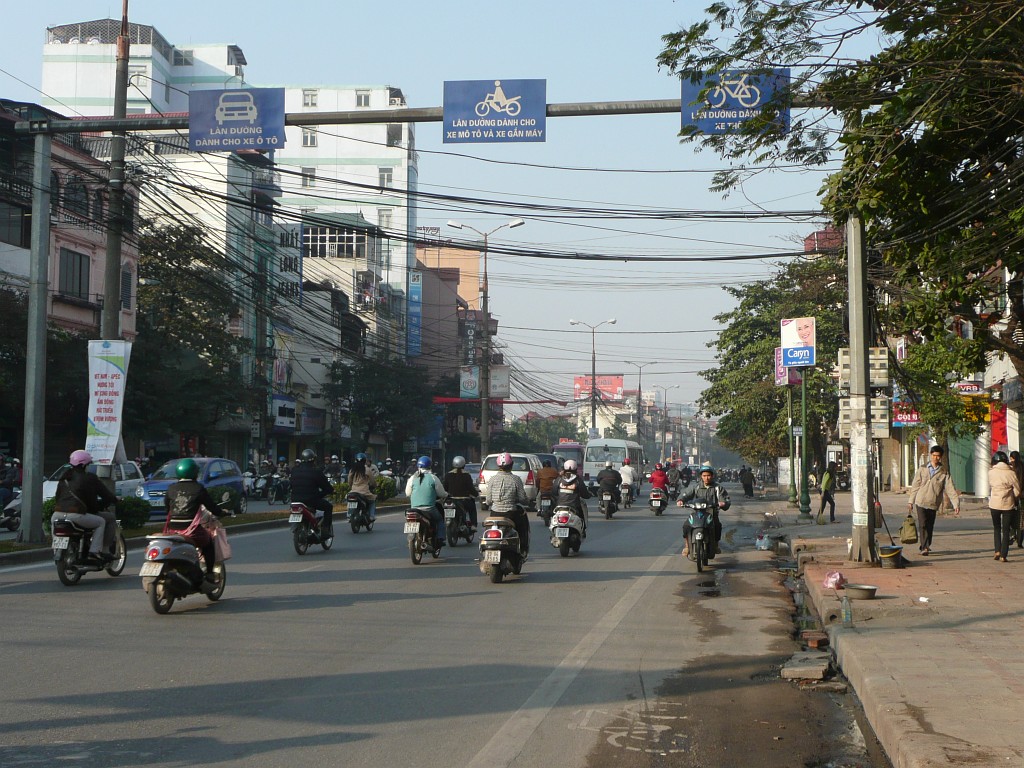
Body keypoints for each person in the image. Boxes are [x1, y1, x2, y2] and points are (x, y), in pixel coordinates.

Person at [163, 458, 228, 580]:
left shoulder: (171, 488)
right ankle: (209, 573)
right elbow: (212, 507)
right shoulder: (198, 488)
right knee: (208, 543)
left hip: (172, 530)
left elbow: (167, 508)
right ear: (195, 472)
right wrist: (222, 512)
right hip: (192, 531)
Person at [51, 450, 118, 562]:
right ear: (84, 465)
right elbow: (100, 498)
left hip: (56, 515)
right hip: (76, 515)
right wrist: (114, 500)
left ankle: (57, 549)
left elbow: (58, 498)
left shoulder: (64, 477)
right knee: (101, 521)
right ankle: (96, 551)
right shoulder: (89, 478)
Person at [907, 445, 960, 556]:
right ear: (931, 455)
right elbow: (915, 485)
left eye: (938, 456)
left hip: (933, 502)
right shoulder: (923, 468)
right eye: (934, 455)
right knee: (922, 524)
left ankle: (926, 544)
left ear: (940, 457)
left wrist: (956, 504)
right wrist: (911, 501)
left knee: (930, 525)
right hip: (920, 500)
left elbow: (950, 488)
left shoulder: (944, 472)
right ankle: (924, 547)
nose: (935, 458)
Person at [679, 464, 731, 557]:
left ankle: (715, 545)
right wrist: (680, 500)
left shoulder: (717, 488)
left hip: (711, 513)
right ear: (701, 476)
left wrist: (723, 503)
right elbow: (685, 494)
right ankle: (687, 546)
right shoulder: (696, 487)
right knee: (686, 526)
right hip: (696, 513)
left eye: (708, 475)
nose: (706, 478)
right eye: (704, 476)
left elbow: (725, 499)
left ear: (712, 476)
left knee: (717, 526)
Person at [485, 451, 531, 553]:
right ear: (511, 465)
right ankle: (522, 549)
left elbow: (488, 501)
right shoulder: (515, 479)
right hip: (511, 514)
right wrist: (526, 501)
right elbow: (523, 498)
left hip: (494, 514)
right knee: (522, 528)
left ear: (498, 466)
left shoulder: (492, 479)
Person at [405, 455, 448, 549]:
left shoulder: (412, 478)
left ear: (418, 466)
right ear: (430, 466)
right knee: (440, 519)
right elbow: (441, 493)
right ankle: (440, 538)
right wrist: (446, 495)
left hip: (414, 509)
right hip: (429, 508)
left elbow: (407, 493)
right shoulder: (433, 478)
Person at [290, 449, 336, 536]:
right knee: (328, 507)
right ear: (313, 460)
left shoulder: (294, 470)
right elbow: (326, 487)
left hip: (295, 500)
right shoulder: (316, 472)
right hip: (311, 500)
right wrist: (331, 491)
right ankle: (326, 531)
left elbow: (291, 485)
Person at [989, 452, 1021, 563]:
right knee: (1006, 530)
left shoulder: (991, 472)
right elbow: (1017, 490)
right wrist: (1014, 496)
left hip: (994, 504)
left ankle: (996, 550)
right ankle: (1003, 555)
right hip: (1008, 504)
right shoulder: (1011, 473)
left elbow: (991, 485)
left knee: (996, 528)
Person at [551, 459, 591, 536]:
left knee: (553, 514)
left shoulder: (559, 479)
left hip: (560, 506)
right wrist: (588, 495)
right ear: (575, 469)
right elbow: (584, 494)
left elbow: (553, 492)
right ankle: (583, 530)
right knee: (581, 515)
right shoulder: (578, 480)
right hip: (574, 506)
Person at [443, 455, 479, 530]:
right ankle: (473, 525)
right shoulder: (466, 475)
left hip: (451, 501)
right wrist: (476, 494)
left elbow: (445, 488)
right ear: (464, 465)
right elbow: (471, 488)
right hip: (464, 500)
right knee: (472, 508)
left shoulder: (448, 475)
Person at [348, 453, 379, 522]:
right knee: (372, 501)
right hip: (364, 492)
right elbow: (372, 481)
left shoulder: (352, 469)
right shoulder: (367, 469)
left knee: (349, 500)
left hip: (353, 491)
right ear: (364, 461)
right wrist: (375, 485)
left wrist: (351, 487)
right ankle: (371, 516)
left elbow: (349, 481)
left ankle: (349, 515)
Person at [1011, 451, 1024, 548]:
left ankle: (1012, 534)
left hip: (1013, 496)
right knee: (1021, 519)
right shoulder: (1022, 466)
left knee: (1012, 516)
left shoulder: (1011, 468)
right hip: (1022, 496)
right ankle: (1020, 541)